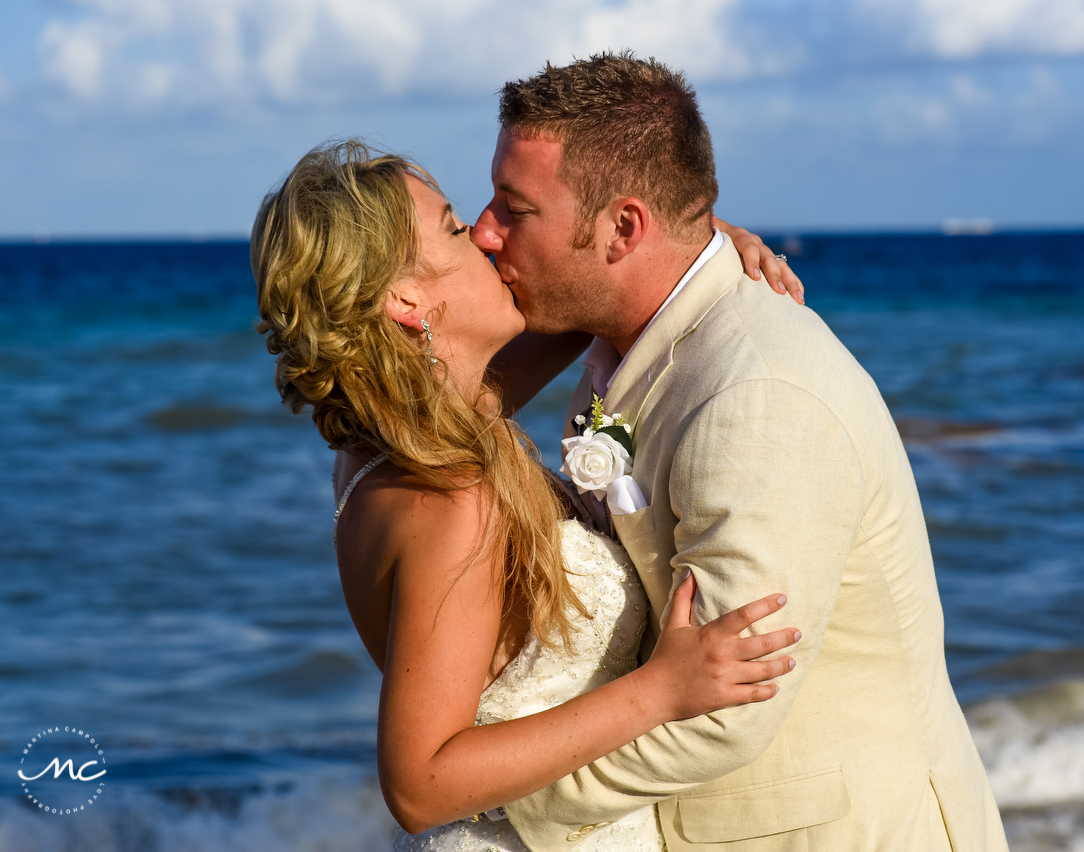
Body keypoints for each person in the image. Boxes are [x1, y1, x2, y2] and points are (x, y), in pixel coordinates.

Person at [468, 53, 1010, 851]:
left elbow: (730, 707)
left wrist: (500, 800)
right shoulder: (634, 345)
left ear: (622, 228)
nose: (485, 230)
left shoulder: (757, 394)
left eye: (514, 209)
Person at [251, 141, 807, 852]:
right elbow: (419, 785)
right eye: (455, 228)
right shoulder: (447, 496)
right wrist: (662, 691)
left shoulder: (398, 441)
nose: (485, 235)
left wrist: (690, 240)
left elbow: (596, 297)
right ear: (405, 297)